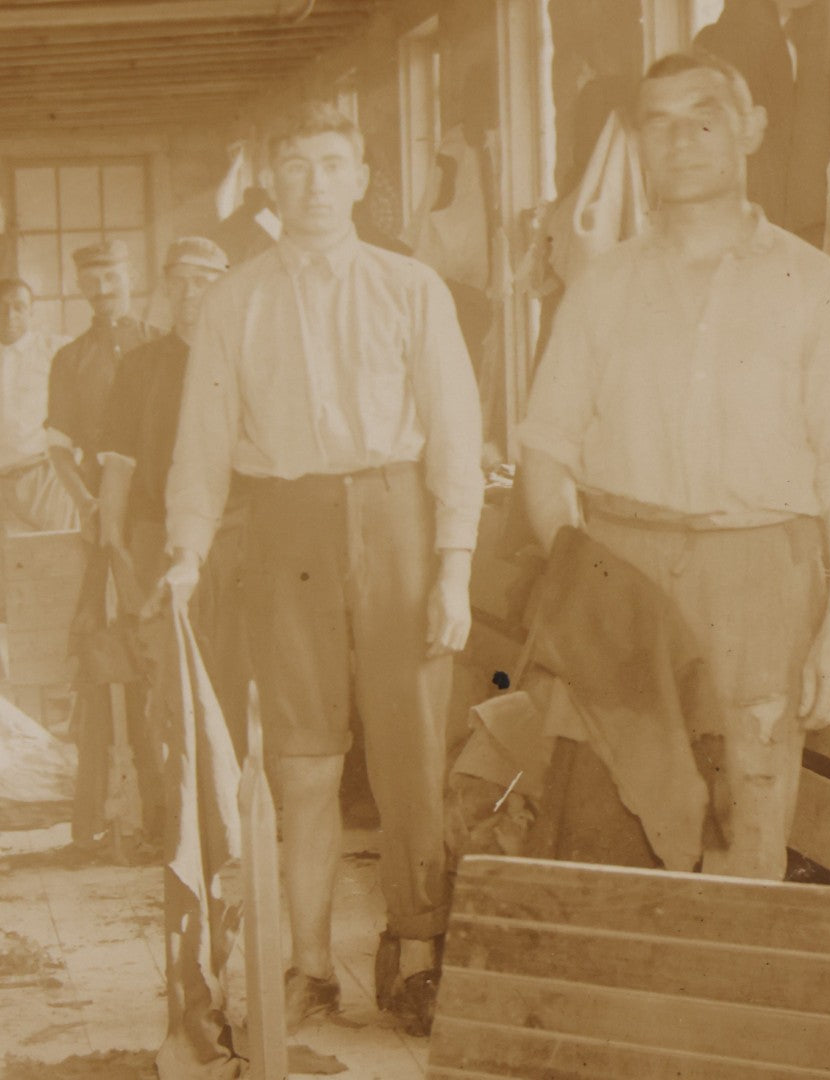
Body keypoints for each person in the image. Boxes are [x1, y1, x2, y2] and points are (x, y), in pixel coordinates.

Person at [518, 51, 830, 882]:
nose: (681, 139)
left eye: (705, 117)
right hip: (624, 571)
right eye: (659, 122)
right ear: (638, 143)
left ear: (751, 128)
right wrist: (582, 573)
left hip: (760, 580)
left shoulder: (815, 285)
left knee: (745, 822)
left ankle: (726, 1011)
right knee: (610, 821)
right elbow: (545, 448)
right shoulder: (601, 287)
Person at [164, 103, 484, 1035]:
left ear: (359, 176)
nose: (311, 183)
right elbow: (201, 445)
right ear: (273, 180)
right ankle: (309, 965)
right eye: (294, 164)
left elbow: (458, 439)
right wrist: (184, 553)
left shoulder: (413, 287)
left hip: (399, 526)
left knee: (412, 760)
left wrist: (455, 566)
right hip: (287, 534)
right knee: (303, 769)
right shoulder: (235, 300)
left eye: (330, 163)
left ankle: (416, 954)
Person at [97, 236, 250, 759]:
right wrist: (113, 545)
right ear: (164, 288)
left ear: (223, 287)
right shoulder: (140, 366)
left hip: (233, 536)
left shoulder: (243, 360)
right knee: (159, 668)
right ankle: (168, 809)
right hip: (154, 536)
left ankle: (229, 802)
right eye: (179, 280)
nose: (190, 292)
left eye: (203, 281)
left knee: (232, 669)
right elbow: (117, 461)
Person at [46, 238, 161, 848]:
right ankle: (103, 814)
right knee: (103, 654)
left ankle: (168, 812)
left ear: (130, 274)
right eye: (91, 282)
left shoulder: (158, 345)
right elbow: (59, 448)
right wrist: (89, 504)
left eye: (111, 278)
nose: (102, 290)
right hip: (102, 524)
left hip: (156, 516)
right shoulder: (72, 359)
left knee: (159, 651)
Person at [0, 278, 76, 541]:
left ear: (32, 311)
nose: (9, 315)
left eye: (18, 307)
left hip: (44, 480)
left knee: (58, 557)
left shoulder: (56, 350)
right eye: (2, 306)